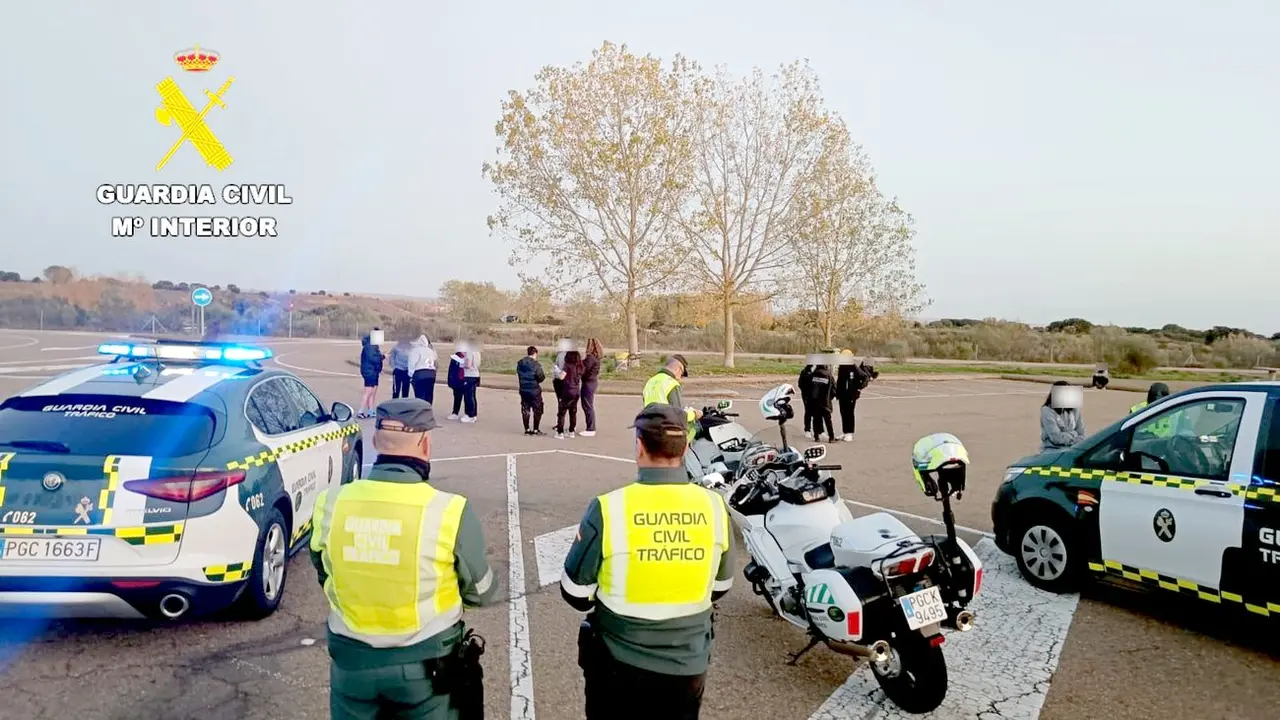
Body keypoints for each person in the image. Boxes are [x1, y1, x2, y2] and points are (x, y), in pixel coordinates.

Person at [310, 398, 499, 719]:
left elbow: (325, 572)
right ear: (425, 444)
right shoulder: (449, 510)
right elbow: (480, 593)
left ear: (374, 442)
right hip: (425, 669)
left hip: (352, 665)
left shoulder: (330, 504)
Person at [560, 403, 734, 720]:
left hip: (617, 666)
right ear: (686, 448)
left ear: (639, 447)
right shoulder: (714, 507)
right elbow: (720, 586)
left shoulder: (608, 508)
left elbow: (575, 593)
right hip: (687, 667)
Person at [641, 354, 700, 441]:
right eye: (682, 374)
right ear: (677, 368)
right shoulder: (671, 383)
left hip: (649, 430)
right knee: (694, 432)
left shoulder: (650, 382)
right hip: (665, 433)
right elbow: (678, 415)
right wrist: (695, 414)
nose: (680, 378)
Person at [1041, 380, 1087, 451]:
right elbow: (1056, 438)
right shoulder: (1047, 410)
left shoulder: (1074, 409)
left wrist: (1069, 436)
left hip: (1073, 447)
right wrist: (1074, 434)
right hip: (1053, 449)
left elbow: (1082, 433)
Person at [516, 346, 546, 436]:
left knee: (525, 409)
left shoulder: (520, 363)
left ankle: (527, 429)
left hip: (523, 389)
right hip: (534, 390)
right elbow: (541, 377)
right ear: (535, 354)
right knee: (538, 409)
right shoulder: (536, 365)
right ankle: (536, 429)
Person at [556, 350, 584, 439]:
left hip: (567, 390)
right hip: (576, 391)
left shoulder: (567, 366)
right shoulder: (580, 367)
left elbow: (561, 377)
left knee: (562, 412)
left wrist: (557, 371)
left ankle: (560, 432)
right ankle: (571, 431)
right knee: (573, 412)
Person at [806, 363, 836, 443]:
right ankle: (831, 437)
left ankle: (816, 437)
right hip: (825, 402)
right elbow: (834, 389)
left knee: (816, 419)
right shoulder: (829, 376)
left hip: (815, 401)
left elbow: (808, 388)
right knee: (828, 421)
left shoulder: (813, 375)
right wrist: (830, 398)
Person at [358, 334, 385, 419]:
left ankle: (370, 411)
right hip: (369, 372)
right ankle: (361, 411)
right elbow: (374, 358)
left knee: (372, 392)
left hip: (374, 371)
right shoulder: (369, 347)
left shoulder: (373, 346)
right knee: (368, 392)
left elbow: (376, 358)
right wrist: (383, 357)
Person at [408, 335, 439, 405]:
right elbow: (435, 362)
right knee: (429, 395)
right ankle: (428, 411)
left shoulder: (415, 350)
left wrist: (411, 376)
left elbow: (412, 363)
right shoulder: (431, 351)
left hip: (420, 374)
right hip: (431, 374)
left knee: (420, 396)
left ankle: (421, 412)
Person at [581, 339, 603, 437]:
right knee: (588, 405)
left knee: (587, 405)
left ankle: (590, 428)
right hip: (592, 382)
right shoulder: (596, 358)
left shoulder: (590, 358)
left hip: (588, 383)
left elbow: (584, 370)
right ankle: (590, 427)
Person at [460, 347, 481, 423]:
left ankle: (469, 414)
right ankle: (474, 414)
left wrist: (462, 364)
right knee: (473, 395)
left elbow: (468, 365)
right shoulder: (477, 351)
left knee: (468, 396)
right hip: (476, 375)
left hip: (469, 375)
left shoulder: (469, 352)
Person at [446, 350, 465, 420]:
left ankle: (470, 414)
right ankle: (455, 413)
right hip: (458, 380)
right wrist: (450, 381)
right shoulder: (455, 357)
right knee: (457, 397)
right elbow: (451, 370)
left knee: (469, 398)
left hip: (467, 378)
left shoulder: (470, 355)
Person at [798, 364, 815, 438]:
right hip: (807, 395)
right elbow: (800, 384)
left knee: (817, 413)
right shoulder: (805, 372)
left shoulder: (818, 371)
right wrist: (805, 391)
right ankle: (807, 430)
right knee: (808, 412)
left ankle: (819, 431)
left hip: (816, 395)